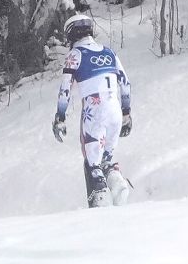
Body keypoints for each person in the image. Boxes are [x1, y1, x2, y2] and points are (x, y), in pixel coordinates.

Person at [52, 14, 132, 208]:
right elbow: (125, 82)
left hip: (93, 109)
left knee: (92, 163)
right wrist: (126, 113)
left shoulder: (75, 55)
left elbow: (65, 89)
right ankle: (117, 183)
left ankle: (100, 199)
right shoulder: (109, 52)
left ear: (70, 34)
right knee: (107, 159)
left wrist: (60, 118)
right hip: (114, 109)